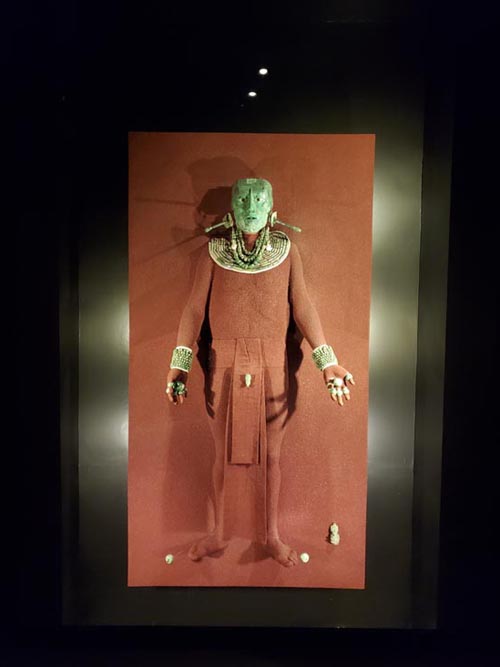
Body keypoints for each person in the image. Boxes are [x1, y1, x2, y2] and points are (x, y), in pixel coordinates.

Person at [165, 178, 355, 567]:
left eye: (258, 200)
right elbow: (194, 310)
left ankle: (271, 537)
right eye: (243, 200)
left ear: (271, 208)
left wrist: (327, 362)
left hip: (273, 363)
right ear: (232, 208)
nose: (251, 207)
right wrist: (179, 363)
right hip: (224, 361)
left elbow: (303, 307)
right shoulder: (212, 253)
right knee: (222, 454)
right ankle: (218, 535)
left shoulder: (287, 251)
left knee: (271, 454)